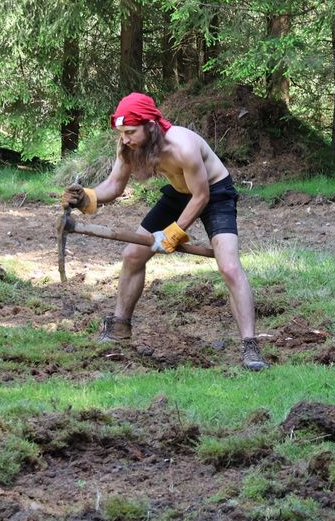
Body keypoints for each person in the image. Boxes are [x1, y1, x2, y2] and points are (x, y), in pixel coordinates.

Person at [62, 92, 267, 371]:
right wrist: (86, 198)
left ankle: (251, 346)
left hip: (214, 193)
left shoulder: (182, 146)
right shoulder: (129, 146)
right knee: (133, 254)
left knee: (229, 266)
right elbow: (114, 185)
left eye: (130, 132)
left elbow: (201, 196)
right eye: (121, 132)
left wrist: (173, 233)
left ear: (150, 125)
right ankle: (119, 327)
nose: (125, 139)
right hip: (179, 193)